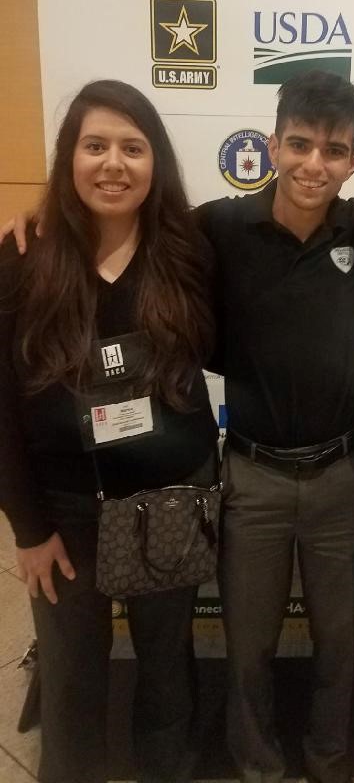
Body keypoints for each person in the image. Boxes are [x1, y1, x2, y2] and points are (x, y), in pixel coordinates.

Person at [1, 72, 354, 783]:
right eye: (298, 144)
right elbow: (133, 227)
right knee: (248, 647)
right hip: (252, 475)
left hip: (345, 473)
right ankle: (257, 766)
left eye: (334, 150)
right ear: (271, 145)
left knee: (338, 644)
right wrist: (40, 213)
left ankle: (329, 763)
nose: (312, 164)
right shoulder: (217, 228)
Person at [0, 80, 219, 783]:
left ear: (156, 163)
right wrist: (27, 528)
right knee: (70, 677)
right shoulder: (23, 261)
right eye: (95, 146)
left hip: (169, 504)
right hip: (65, 512)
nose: (113, 163)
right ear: (70, 158)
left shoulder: (190, 252)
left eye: (133, 146)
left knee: (166, 670)